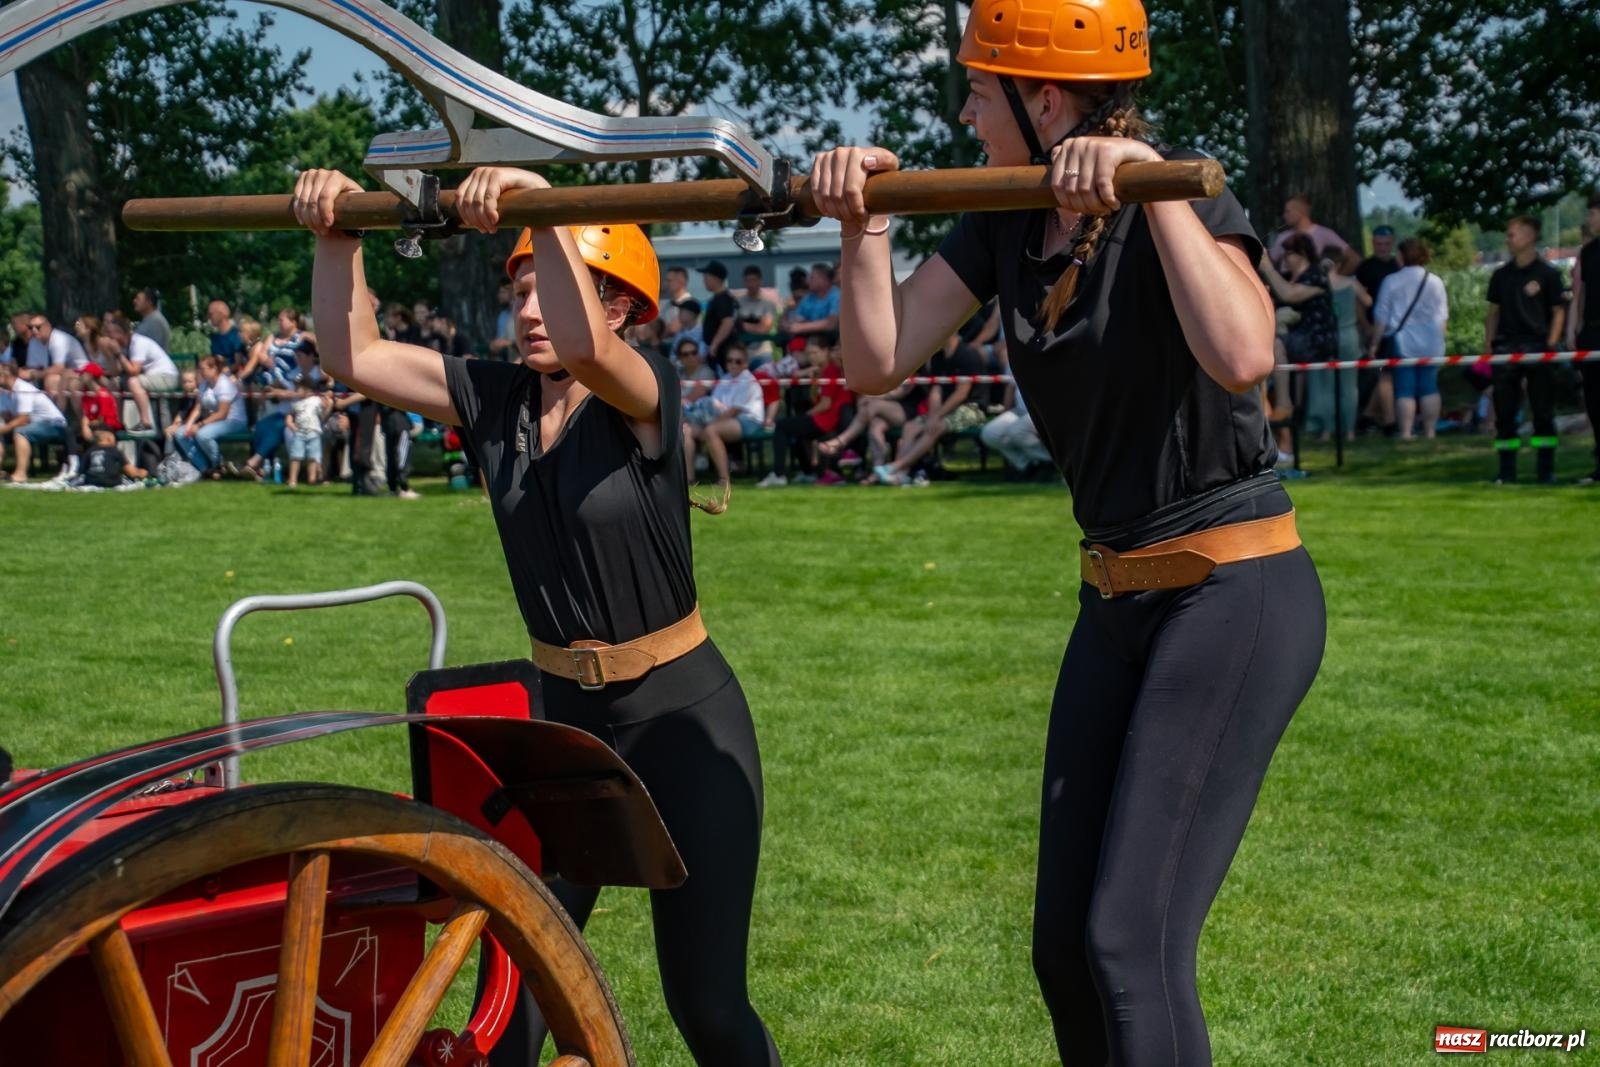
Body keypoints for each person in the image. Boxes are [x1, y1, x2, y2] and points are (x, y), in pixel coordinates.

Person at [807, 0, 1325, 1057]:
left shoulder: (1174, 188)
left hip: (1232, 590)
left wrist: (1144, 177)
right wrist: (862, 224)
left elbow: (1241, 354)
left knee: (1130, 940)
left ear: (1045, 100)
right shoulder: (1003, 215)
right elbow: (875, 360)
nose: (962, 110)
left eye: (979, 90)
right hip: (1115, 596)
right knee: (1062, 945)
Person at [293, 164, 782, 1066]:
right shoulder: (495, 400)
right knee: (514, 996)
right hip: (565, 729)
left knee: (706, 1003)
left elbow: (590, 351)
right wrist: (337, 238)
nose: (527, 311)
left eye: (548, 289)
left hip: (683, 715)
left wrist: (542, 205)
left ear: (625, 309)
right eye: (518, 290)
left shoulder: (644, 391)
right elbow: (350, 356)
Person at [1485, 215, 1567, 484]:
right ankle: (1506, 472)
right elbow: (1493, 313)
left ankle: (1546, 471)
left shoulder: (1548, 274)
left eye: (1513, 234)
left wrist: (1551, 344)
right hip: (1506, 348)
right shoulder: (1501, 275)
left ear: (1530, 236)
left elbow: (1558, 311)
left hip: (1538, 348)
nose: (1508, 240)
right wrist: (1489, 345)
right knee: (1505, 414)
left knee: (1543, 413)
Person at [868, 333, 986, 486]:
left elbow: (961, 393)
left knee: (935, 427)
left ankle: (895, 467)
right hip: (944, 409)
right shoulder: (938, 357)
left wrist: (938, 416)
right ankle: (901, 474)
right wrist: (933, 415)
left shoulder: (967, 354)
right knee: (911, 427)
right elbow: (935, 390)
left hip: (972, 407)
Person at [1370, 236, 1447, 440]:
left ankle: (1406, 431)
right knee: (1429, 387)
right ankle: (1431, 431)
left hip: (1403, 340)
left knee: (1405, 388)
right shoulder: (1435, 281)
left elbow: (1382, 316)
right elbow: (1442, 315)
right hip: (1432, 340)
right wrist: (1440, 338)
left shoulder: (1392, 281)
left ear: (1402, 256)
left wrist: (1375, 343)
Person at [757, 339, 853, 486]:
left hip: (827, 419)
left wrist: (808, 414)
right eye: (808, 353)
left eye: (815, 353)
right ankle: (807, 472)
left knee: (782, 426)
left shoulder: (830, 371)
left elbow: (825, 404)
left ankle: (778, 474)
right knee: (793, 429)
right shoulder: (818, 371)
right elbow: (794, 378)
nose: (811, 357)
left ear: (825, 352)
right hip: (823, 418)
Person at [681, 341, 764, 502]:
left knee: (711, 431)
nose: (733, 364)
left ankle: (724, 479)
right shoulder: (725, 379)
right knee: (687, 430)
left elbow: (734, 410)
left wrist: (709, 424)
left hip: (748, 420)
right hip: (723, 419)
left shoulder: (748, 381)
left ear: (745, 363)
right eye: (730, 361)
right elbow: (716, 405)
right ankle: (689, 480)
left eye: (738, 361)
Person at [1569, 193, 1600, 485]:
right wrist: (1573, 328)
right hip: (1592, 332)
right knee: (1593, 400)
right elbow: (1580, 294)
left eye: (1594, 213)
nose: (1590, 219)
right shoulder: (1589, 252)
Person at [174, 355, 246, 479]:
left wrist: (200, 425)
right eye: (200, 369)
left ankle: (218, 464)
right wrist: (189, 425)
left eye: (203, 369)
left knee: (203, 434)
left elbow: (222, 413)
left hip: (233, 421)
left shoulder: (224, 384)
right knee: (180, 434)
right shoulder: (204, 385)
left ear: (214, 369)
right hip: (215, 421)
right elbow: (198, 408)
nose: (200, 372)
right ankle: (204, 468)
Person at [0, 360, 70, 482]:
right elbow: (7, 416)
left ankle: (21, 474)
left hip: (54, 425)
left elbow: (23, 419)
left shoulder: (22, 389)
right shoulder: (5, 393)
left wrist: (4, 428)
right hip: (34, 425)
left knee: (21, 432)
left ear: (6, 376)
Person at [109, 316, 181, 432]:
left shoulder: (138, 343)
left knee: (133, 381)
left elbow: (133, 371)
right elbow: (115, 372)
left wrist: (118, 353)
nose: (109, 337)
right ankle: (118, 422)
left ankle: (145, 421)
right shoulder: (122, 347)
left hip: (166, 376)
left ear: (120, 332)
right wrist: (113, 354)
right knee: (114, 383)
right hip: (150, 378)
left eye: (111, 333)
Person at [1268, 193, 1348, 270]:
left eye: (1288, 211)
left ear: (1301, 211)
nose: (1284, 215)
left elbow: (1348, 254)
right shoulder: (1282, 237)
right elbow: (1271, 262)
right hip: (1284, 281)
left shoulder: (1324, 233)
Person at [284, 377, 329, 488]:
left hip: (313, 432)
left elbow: (325, 405)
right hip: (300, 433)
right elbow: (290, 415)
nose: (296, 391)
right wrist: (290, 424)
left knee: (313, 457)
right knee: (295, 456)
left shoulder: (315, 400)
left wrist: (326, 399)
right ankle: (293, 479)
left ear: (307, 390)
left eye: (298, 388)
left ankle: (312, 479)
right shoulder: (296, 403)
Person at [783, 262, 840, 343]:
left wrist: (802, 327)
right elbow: (797, 320)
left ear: (823, 279)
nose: (807, 281)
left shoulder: (837, 295)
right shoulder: (808, 297)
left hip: (833, 343)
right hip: (810, 341)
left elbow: (831, 324)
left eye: (812, 277)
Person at [698, 260, 739, 367]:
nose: (704, 280)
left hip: (723, 352)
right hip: (717, 353)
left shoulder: (723, 299)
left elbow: (727, 322)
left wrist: (714, 344)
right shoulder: (718, 298)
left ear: (715, 278)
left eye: (706, 277)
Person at [78, 425, 147, 488]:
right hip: (112, 482)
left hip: (92, 482)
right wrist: (142, 472)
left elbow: (81, 471)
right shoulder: (114, 451)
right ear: (108, 438)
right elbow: (131, 472)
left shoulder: (89, 451)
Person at [736, 265, 779, 366]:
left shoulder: (768, 304)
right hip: (743, 352)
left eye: (754, 280)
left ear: (760, 281)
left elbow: (764, 329)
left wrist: (743, 325)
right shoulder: (737, 303)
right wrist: (756, 326)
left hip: (762, 352)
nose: (751, 284)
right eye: (748, 281)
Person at [208, 300, 245, 367]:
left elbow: (238, 363)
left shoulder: (236, 335)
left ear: (221, 314)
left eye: (211, 314)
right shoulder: (214, 337)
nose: (209, 317)